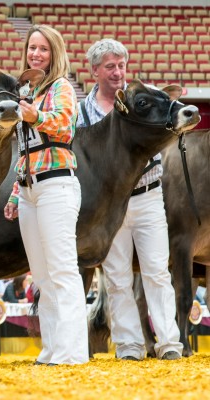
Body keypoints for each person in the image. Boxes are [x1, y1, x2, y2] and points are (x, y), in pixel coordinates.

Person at [76, 38, 182, 361]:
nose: (118, 72)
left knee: (157, 270)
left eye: (121, 65)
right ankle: (129, 346)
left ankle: (169, 343)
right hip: (109, 205)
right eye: (110, 67)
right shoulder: (83, 112)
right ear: (94, 71)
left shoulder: (148, 97)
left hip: (148, 195)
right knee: (117, 276)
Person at [3, 25, 87, 365]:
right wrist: (14, 193)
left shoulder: (61, 87)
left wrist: (34, 115)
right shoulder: (28, 91)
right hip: (29, 189)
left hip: (56, 185)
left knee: (62, 271)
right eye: (32, 48)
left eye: (43, 48)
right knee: (41, 276)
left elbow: (65, 126)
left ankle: (73, 352)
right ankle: (52, 348)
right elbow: (25, 151)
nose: (35, 54)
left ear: (55, 53)